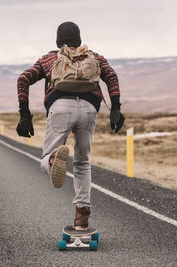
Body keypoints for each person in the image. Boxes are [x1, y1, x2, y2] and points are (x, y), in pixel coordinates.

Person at [16, 21, 124, 230]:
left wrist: (24, 114)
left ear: (58, 41)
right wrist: (116, 108)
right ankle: (82, 216)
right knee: (82, 162)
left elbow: (23, 79)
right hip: (89, 109)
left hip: (60, 107)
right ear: (79, 39)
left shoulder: (49, 58)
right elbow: (111, 76)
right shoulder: (94, 57)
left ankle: (54, 158)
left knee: (46, 157)